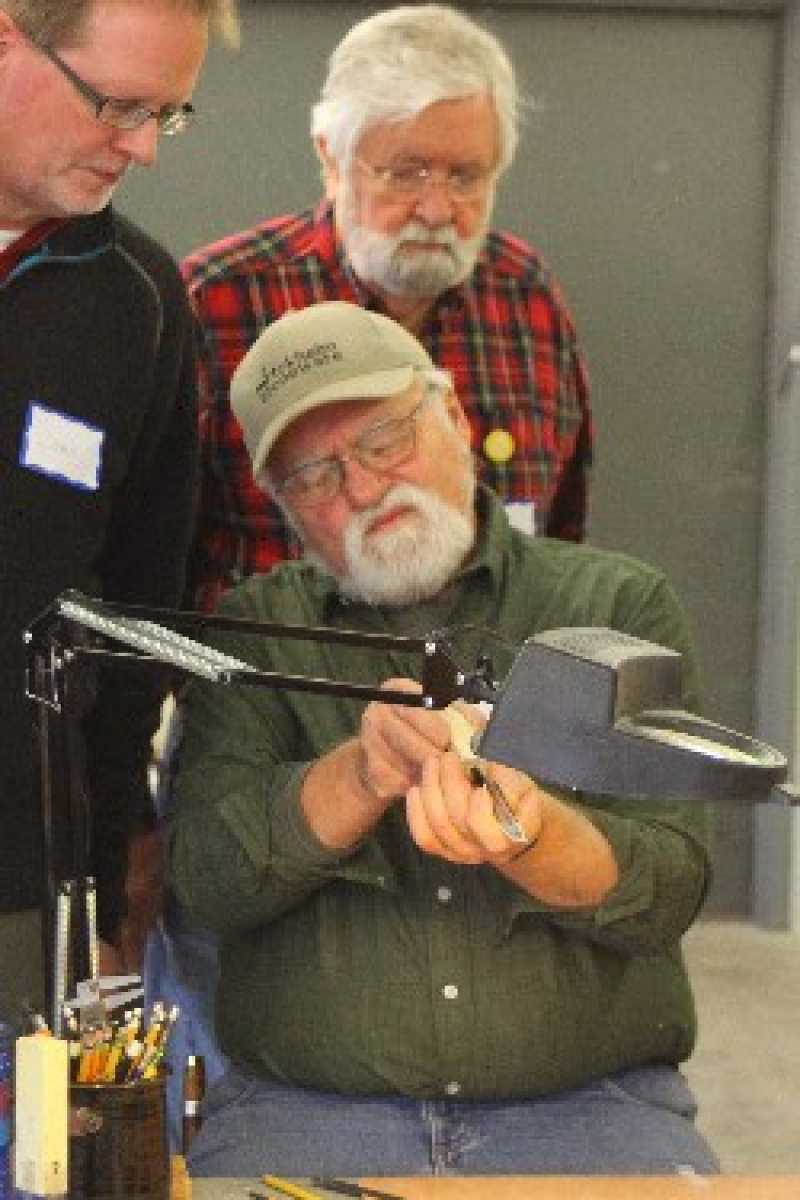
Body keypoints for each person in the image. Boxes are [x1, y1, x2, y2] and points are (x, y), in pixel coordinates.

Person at [165, 301, 719, 1177]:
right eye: (311, 476)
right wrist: (359, 773)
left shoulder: (615, 608)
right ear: (281, 509)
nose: (359, 487)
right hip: (306, 1112)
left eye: (384, 441)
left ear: (454, 416)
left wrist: (532, 834)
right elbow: (207, 883)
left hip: (589, 1109)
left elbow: (668, 888)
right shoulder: (252, 632)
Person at [182, 2, 593, 615]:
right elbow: (154, 549)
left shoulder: (526, 296)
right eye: (406, 173)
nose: (436, 209)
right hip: (280, 695)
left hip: (486, 695)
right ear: (331, 160)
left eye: (466, 176)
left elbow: (559, 536)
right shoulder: (218, 300)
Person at [0, 0, 240, 1028]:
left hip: (15, 891)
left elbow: (138, 621)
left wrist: (100, 891)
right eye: (119, 104)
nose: (141, 148)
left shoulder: (137, 302)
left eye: (167, 115)